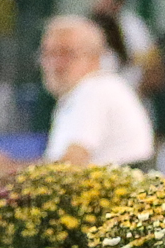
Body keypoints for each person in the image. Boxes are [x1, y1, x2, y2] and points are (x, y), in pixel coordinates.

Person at [40, 15, 153, 166]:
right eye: (48, 53)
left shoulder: (94, 90)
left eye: (67, 53)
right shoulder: (86, 91)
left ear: (94, 57)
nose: (55, 64)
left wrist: (12, 168)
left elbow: (70, 165)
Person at [91, 0, 163, 95]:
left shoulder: (132, 25)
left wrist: (137, 94)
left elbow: (153, 67)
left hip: (128, 93)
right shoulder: (90, 26)